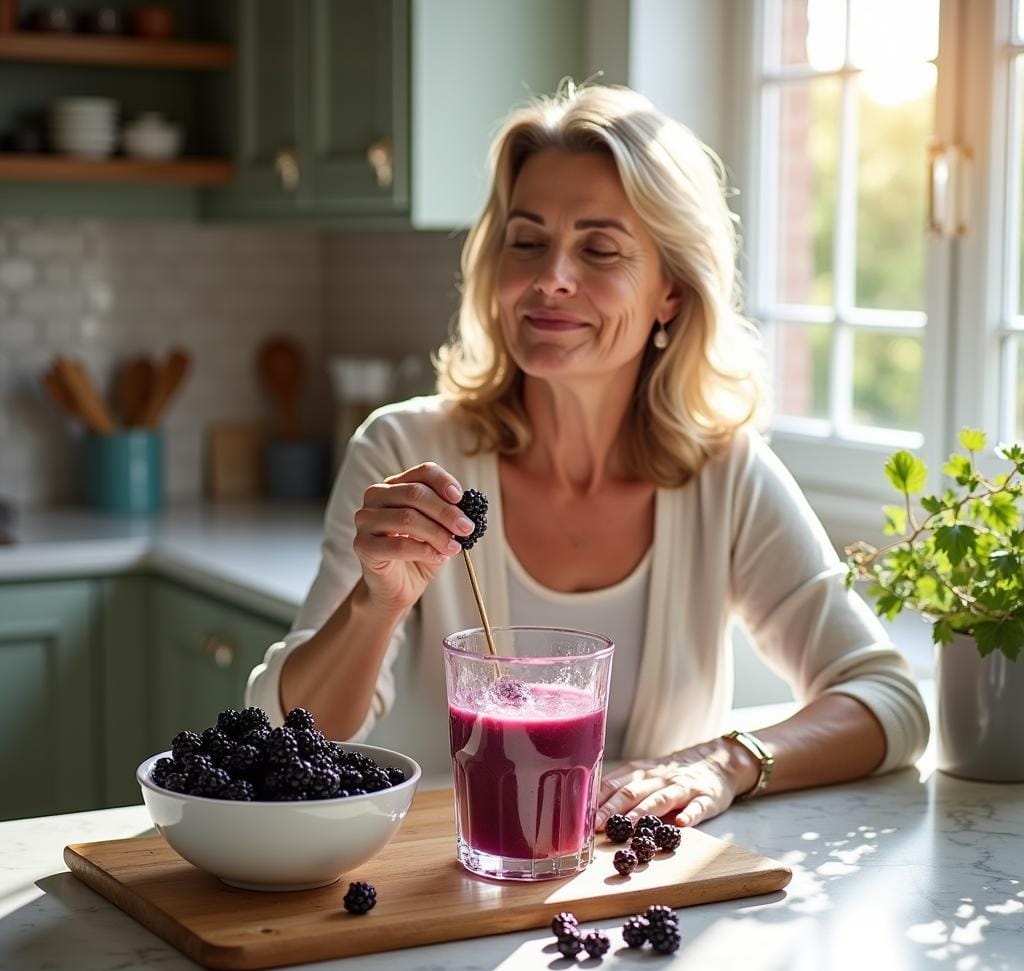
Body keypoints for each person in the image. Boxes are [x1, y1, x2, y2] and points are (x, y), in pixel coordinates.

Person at [246, 82, 929, 830]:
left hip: (640, 914)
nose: (550, 279)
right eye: (527, 241)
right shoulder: (406, 450)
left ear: (670, 291)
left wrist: (724, 763)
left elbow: (888, 701)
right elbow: (296, 739)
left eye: (599, 249)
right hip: (440, 898)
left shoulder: (723, 476)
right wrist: (376, 605)